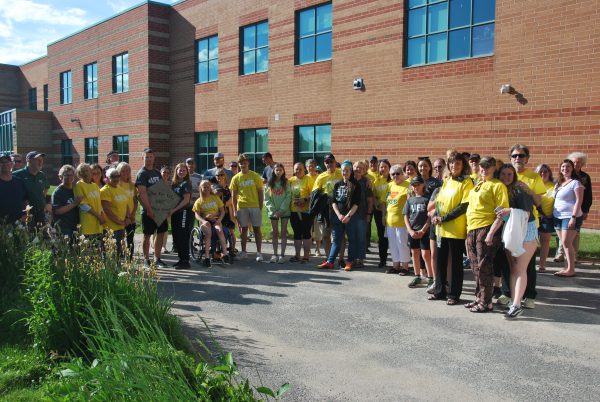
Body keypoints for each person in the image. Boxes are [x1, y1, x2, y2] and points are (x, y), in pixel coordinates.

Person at [463, 157, 509, 312]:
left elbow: (502, 213)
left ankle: (486, 302)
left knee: (484, 267)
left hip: (486, 228)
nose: (484, 169)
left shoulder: (498, 186)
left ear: (494, 168)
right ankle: (479, 298)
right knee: (475, 266)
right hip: (472, 229)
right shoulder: (478, 184)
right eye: (482, 166)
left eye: (488, 167)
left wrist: (491, 233)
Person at [428, 151, 472, 305]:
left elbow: (463, 206)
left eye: (458, 163)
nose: (454, 166)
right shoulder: (447, 181)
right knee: (440, 261)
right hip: (441, 229)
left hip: (455, 230)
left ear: (463, 165)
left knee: (455, 264)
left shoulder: (466, 182)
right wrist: (435, 215)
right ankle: (440, 291)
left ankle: (454, 294)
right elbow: (439, 202)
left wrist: (444, 218)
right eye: (452, 163)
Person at [505, 144, 544, 310]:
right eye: (514, 156)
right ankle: (510, 295)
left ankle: (528, 296)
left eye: (521, 156)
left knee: (527, 265)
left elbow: (539, 202)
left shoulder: (534, 177)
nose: (517, 159)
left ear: (527, 158)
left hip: (527, 225)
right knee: (511, 265)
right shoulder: (505, 175)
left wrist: (527, 189)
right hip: (510, 225)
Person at [496, 164, 538, 318]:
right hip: (510, 230)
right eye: (503, 174)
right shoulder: (499, 189)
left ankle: (516, 304)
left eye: (509, 174)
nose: (506, 177)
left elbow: (527, 213)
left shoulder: (519, 189)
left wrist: (510, 211)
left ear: (514, 176)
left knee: (520, 268)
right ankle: (514, 302)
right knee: (513, 268)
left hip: (526, 230)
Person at [318, 160, 361, 271]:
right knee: (336, 240)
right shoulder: (337, 184)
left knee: (352, 239)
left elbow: (356, 204)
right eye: (343, 171)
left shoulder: (356, 185)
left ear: (351, 171)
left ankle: (349, 262)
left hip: (351, 218)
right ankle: (330, 262)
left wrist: (348, 216)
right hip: (338, 217)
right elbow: (333, 202)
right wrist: (338, 215)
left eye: (347, 171)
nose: (344, 173)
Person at [555, 152, 593, 262]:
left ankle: (573, 255)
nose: (576, 164)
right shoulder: (562, 178)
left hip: (576, 212)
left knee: (574, 234)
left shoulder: (584, 178)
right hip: (561, 213)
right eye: (574, 162)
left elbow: (588, 196)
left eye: (579, 163)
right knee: (562, 235)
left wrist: (585, 210)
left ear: (582, 164)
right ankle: (561, 253)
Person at [136, 148, 168, 268]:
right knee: (147, 235)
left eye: (150, 157)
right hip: (148, 210)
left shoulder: (156, 172)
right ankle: (146, 259)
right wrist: (149, 209)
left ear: (154, 158)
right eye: (146, 157)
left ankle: (157, 258)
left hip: (159, 209)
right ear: (142, 158)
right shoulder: (142, 174)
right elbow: (142, 194)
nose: (148, 159)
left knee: (160, 233)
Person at [230, 153, 264, 261]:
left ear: (248, 163)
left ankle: (259, 253)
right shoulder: (235, 178)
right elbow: (233, 196)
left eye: (244, 163)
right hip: (242, 207)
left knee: (257, 229)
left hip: (254, 206)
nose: (242, 165)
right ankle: (244, 252)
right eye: (240, 163)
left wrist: (260, 205)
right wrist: (235, 210)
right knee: (243, 230)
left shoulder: (255, 176)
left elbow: (260, 192)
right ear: (239, 164)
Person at [552, 159, 583, 277]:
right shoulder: (558, 183)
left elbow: (579, 201)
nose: (565, 169)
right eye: (563, 167)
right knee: (565, 244)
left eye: (568, 166)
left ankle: (571, 269)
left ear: (572, 168)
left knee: (566, 242)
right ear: (560, 169)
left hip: (570, 217)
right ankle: (567, 267)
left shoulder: (576, 183)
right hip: (557, 216)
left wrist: (573, 217)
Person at [193, 180, 230, 266]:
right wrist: (204, 220)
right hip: (205, 221)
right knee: (208, 233)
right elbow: (197, 215)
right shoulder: (199, 201)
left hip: (216, 219)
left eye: (208, 187)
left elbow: (222, 211)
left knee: (219, 230)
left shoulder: (215, 198)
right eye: (204, 187)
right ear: (201, 188)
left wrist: (219, 220)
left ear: (210, 188)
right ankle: (206, 257)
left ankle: (225, 254)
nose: (206, 188)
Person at [312, 153, 342, 258]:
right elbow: (315, 193)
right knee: (325, 235)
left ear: (335, 162)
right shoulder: (321, 177)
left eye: (331, 161)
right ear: (325, 164)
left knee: (339, 235)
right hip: (326, 210)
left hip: (339, 208)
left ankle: (340, 258)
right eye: (327, 162)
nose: (329, 164)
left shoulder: (341, 173)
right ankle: (329, 258)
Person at [382, 164, 411, 275]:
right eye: (393, 174)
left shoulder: (407, 185)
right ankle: (396, 266)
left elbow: (410, 203)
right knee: (392, 244)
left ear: (402, 174)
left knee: (402, 243)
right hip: (390, 221)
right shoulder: (389, 186)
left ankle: (405, 267)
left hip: (402, 222)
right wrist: (384, 216)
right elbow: (384, 202)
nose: (395, 176)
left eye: (398, 173)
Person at [404, 176, 432, 288]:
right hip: (413, 231)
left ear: (423, 185)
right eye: (414, 185)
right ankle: (417, 276)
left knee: (426, 254)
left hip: (424, 231)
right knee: (415, 253)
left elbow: (430, 217)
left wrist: (423, 230)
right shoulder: (410, 200)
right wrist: (410, 230)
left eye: (418, 185)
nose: (416, 187)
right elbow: (406, 216)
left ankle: (430, 277)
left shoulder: (427, 199)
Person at [13, 151, 50, 226]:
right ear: (29, 161)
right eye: (38, 160)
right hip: (25, 213)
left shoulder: (42, 175)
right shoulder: (17, 175)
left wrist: (42, 199)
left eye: (42, 160)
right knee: (27, 236)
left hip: (40, 212)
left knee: (41, 235)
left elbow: (47, 187)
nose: (41, 162)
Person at [265, 162, 291, 263]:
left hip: (284, 211)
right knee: (275, 233)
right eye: (277, 170)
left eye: (280, 170)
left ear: (283, 171)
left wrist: (281, 210)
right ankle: (275, 254)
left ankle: (282, 255)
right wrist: (273, 211)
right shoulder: (269, 183)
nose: (278, 172)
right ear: (274, 171)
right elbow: (266, 199)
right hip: (273, 212)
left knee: (284, 233)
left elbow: (288, 196)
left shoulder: (286, 182)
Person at [100, 167, 129, 257]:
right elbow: (107, 210)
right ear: (107, 178)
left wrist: (127, 218)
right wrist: (120, 222)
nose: (116, 179)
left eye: (117, 176)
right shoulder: (105, 190)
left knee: (118, 252)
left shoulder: (120, 188)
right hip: (111, 228)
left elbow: (126, 204)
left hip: (121, 225)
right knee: (110, 253)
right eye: (113, 176)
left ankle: (117, 269)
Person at [170, 163, 193, 268]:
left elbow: (186, 200)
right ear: (176, 171)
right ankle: (181, 259)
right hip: (175, 213)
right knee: (176, 236)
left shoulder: (186, 184)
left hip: (184, 212)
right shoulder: (174, 184)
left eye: (184, 170)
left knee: (183, 236)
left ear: (187, 172)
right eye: (180, 170)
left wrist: (174, 209)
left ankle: (185, 261)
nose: (182, 172)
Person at [73, 163, 105, 240]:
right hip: (87, 224)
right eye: (83, 171)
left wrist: (102, 215)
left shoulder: (95, 186)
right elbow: (83, 205)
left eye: (88, 170)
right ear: (79, 174)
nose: (86, 173)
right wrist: (98, 216)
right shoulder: (79, 185)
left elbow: (98, 203)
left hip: (97, 224)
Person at [289, 162, 312, 263]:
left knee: (306, 233)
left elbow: (313, 194)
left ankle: (306, 256)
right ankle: (297, 255)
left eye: (300, 169)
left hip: (306, 211)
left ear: (304, 170)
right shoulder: (290, 180)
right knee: (297, 234)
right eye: (296, 169)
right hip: (294, 211)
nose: (298, 171)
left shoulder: (308, 179)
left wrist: (305, 200)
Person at [353, 160, 374, 268]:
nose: (358, 169)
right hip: (350, 215)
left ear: (364, 170)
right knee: (352, 238)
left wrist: (369, 214)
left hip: (362, 214)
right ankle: (352, 258)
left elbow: (370, 200)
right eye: (356, 167)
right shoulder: (348, 179)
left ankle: (360, 259)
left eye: (360, 168)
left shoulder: (366, 182)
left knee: (361, 238)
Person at [535, 164, 555, 272]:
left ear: (549, 173)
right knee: (532, 242)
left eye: (545, 171)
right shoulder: (534, 185)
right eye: (540, 172)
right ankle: (528, 264)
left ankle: (542, 265)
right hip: (535, 217)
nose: (543, 174)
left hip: (547, 217)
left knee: (545, 242)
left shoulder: (554, 185)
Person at [51, 164, 80, 237]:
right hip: (64, 228)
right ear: (60, 177)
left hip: (76, 226)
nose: (69, 177)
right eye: (66, 175)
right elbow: (57, 211)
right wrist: (74, 204)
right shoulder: (58, 192)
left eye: (71, 175)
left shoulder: (75, 189)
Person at [373, 159, 391, 267]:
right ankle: (382, 259)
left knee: (392, 236)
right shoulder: (376, 181)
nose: (383, 169)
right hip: (379, 212)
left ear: (389, 168)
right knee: (382, 236)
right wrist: (377, 205)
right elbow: (374, 195)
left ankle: (398, 260)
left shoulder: (392, 181)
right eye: (381, 167)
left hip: (392, 212)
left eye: (385, 167)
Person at [117, 162, 137, 259]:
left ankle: (129, 259)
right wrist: (126, 216)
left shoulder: (132, 185)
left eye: (127, 171)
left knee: (130, 239)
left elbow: (135, 201)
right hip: (121, 216)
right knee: (119, 239)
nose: (125, 173)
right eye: (123, 171)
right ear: (119, 172)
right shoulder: (117, 185)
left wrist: (132, 214)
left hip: (131, 218)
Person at [0, 152, 27, 224]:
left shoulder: (19, 181)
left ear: (12, 164)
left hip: (19, 223)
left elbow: (25, 200)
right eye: (2, 162)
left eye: (7, 162)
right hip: (2, 225)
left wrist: (25, 214)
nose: (5, 164)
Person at [305, 158, 322, 256]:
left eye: (312, 166)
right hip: (306, 206)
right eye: (308, 166)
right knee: (308, 228)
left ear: (315, 167)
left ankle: (318, 249)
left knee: (318, 228)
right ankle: (309, 249)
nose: (310, 168)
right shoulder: (304, 177)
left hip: (317, 206)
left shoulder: (319, 177)